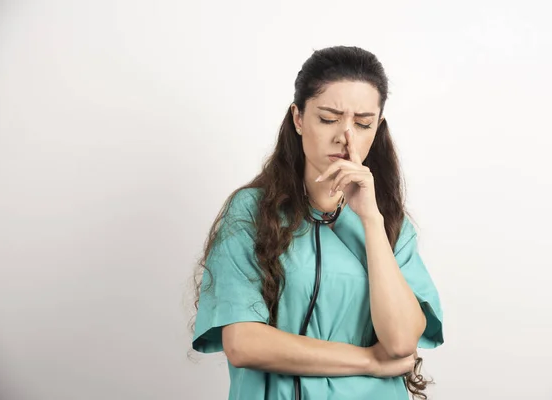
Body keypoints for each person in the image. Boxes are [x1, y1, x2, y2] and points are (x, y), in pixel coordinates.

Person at [189, 45, 444, 400]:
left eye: (364, 123)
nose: (346, 136)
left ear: (378, 127)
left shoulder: (391, 224)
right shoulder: (250, 211)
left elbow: (401, 343)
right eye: (328, 118)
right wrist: (369, 361)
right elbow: (244, 343)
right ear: (298, 118)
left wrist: (370, 219)